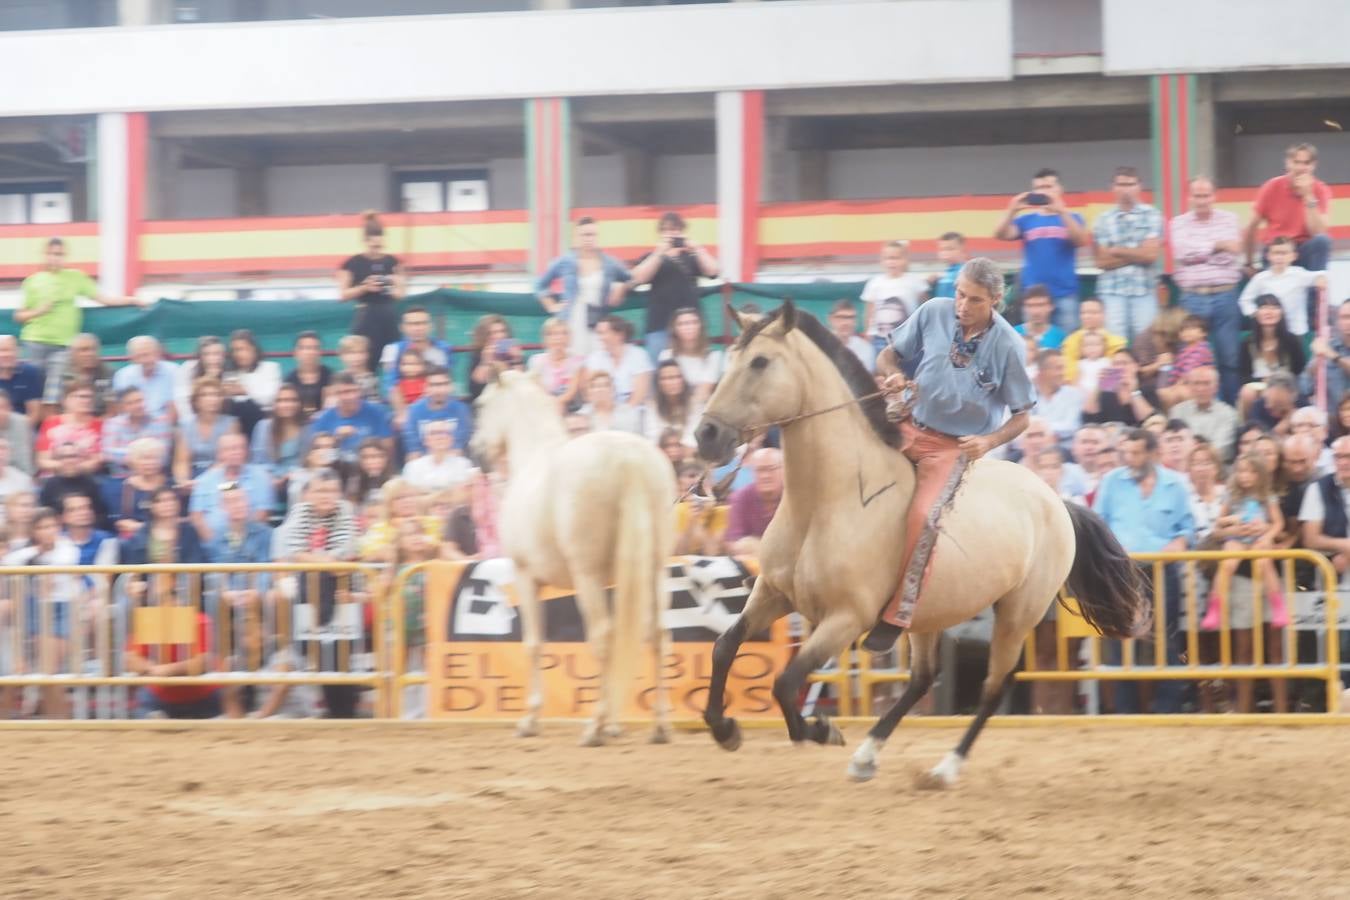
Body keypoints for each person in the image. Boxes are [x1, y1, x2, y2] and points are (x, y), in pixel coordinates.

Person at [864, 257, 1037, 652]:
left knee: (924, 516)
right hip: (906, 422)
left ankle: (899, 613)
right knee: (847, 468)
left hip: (953, 447)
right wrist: (892, 374)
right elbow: (887, 355)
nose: (961, 305)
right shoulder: (932, 311)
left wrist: (989, 443)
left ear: (995, 300)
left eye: (974, 299)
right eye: (959, 294)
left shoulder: (1008, 345)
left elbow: (1023, 415)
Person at [1092, 428, 1193, 713]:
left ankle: (1168, 708)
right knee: (1121, 640)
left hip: (1162, 570)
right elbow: (1098, 524)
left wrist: (1179, 542)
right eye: (1127, 453)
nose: (1130, 459)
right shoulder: (1112, 481)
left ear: (1151, 453)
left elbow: (1188, 528)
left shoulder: (1175, 484)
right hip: (1122, 571)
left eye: (1137, 454)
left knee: (1168, 638)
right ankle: (1125, 709)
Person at [278, 468, 359, 718]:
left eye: (332, 490)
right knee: (313, 649)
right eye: (320, 490)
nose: (326, 496)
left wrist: (320, 561)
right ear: (309, 493)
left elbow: (345, 548)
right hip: (313, 583)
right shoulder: (301, 511)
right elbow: (293, 548)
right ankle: (333, 706)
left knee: (340, 650)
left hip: (342, 588)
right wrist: (324, 562)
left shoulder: (344, 510)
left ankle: (344, 710)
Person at [14, 236, 144, 385]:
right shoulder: (33, 281)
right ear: (44, 255)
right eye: (52, 254)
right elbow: (19, 316)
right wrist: (39, 311)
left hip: (66, 344)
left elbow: (104, 299)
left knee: (64, 386)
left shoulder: (76, 277)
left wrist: (133, 300)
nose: (55, 258)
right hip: (37, 341)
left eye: (60, 254)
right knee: (37, 385)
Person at [5, 506, 86, 718]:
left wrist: (33, 563)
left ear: (58, 527)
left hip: (62, 609)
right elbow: (10, 561)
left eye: (50, 526)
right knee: (39, 675)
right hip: (35, 610)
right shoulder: (27, 553)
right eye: (41, 527)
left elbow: (59, 562)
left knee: (48, 673)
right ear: (34, 532)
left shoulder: (68, 549)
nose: (47, 531)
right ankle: (53, 721)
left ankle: (58, 721)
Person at [1170, 176, 1244, 403]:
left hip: (1226, 293)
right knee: (1194, 360)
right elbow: (1183, 253)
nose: (1201, 201)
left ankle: (1230, 412)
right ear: (1189, 197)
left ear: (1214, 196)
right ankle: (1198, 408)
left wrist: (1200, 253)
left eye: (1205, 195)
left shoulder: (1230, 219)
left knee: (1229, 358)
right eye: (1197, 196)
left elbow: (1234, 248)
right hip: (1194, 297)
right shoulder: (1178, 223)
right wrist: (1217, 246)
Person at [994, 168, 1088, 331]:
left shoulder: (1073, 217)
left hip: (1064, 293)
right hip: (1033, 296)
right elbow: (1000, 234)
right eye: (1039, 188)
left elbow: (1080, 240)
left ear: (1059, 189)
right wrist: (1012, 210)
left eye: (1048, 187)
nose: (1044, 191)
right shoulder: (1026, 219)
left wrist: (1061, 210)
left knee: (1066, 343)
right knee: (1032, 345)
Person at [628, 211, 720, 362]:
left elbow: (714, 271)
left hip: (691, 327)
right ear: (661, 233)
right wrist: (659, 253)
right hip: (659, 326)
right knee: (658, 373)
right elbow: (637, 278)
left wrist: (698, 248)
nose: (671, 234)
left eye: (676, 230)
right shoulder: (651, 257)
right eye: (667, 230)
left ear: (682, 232)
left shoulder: (691, 257)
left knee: (694, 367)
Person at [535, 216, 632, 357]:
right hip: (571, 321)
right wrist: (551, 305)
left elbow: (631, 278)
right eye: (584, 235)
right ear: (576, 237)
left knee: (597, 361)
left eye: (592, 234)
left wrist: (621, 288)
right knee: (573, 362)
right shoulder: (565, 261)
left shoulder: (610, 263)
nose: (588, 238)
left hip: (598, 322)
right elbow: (540, 285)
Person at [1091, 166, 1163, 341]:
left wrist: (1117, 250)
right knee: (1115, 343)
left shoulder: (1152, 215)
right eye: (1121, 185)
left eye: (1130, 184)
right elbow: (1101, 261)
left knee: (1146, 342)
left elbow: (1151, 256)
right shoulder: (1103, 219)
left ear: (1139, 186)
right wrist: (1137, 253)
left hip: (1144, 289)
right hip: (1111, 291)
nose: (1125, 190)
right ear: (1112, 187)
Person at [1245, 142, 1332, 275]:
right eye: (1296, 162)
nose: (1300, 168)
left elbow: (1318, 233)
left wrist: (1308, 196)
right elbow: (1251, 227)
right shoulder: (1271, 186)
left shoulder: (1321, 189)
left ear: (1313, 166)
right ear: (1287, 163)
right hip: (1277, 248)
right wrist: (1249, 262)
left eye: (1306, 163)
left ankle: (1316, 291)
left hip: (1304, 250)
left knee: (1322, 241)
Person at [336, 211, 405, 371]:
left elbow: (400, 294)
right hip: (365, 317)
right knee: (363, 364)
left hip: (388, 316)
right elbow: (342, 294)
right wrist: (364, 287)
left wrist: (391, 283)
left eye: (379, 246)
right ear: (365, 241)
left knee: (394, 363)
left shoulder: (393, 262)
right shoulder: (352, 263)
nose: (376, 250)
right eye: (373, 246)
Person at [189, 433, 274, 544]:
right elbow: (197, 516)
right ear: (219, 454)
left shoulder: (260, 476)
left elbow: (262, 514)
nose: (236, 452)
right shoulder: (205, 480)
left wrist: (237, 543)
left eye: (240, 448)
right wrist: (214, 544)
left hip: (250, 543)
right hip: (214, 546)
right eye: (230, 449)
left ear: (246, 451)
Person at [1238, 236, 1327, 338]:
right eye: (1276, 253)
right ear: (1268, 256)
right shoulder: (1260, 278)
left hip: (1296, 332)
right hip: (1270, 333)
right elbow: (1244, 300)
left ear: (1293, 256)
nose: (1279, 257)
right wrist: (1256, 314)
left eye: (1284, 253)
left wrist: (1321, 278)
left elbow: (1323, 276)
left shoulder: (1300, 274)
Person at [309, 373, 393, 464]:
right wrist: (336, 440)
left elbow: (387, 448)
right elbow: (317, 459)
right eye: (344, 392)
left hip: (369, 468)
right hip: (337, 470)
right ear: (334, 394)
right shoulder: (323, 420)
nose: (351, 396)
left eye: (354, 391)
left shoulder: (376, 412)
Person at [1239, 307, 1305, 424]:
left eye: (1274, 308)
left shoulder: (1291, 341)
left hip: (1286, 385)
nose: (1269, 312)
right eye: (1264, 308)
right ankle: (1249, 426)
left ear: (1281, 313)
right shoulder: (1248, 342)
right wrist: (1264, 380)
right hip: (1259, 385)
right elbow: (1243, 375)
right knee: (1247, 392)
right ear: (1256, 314)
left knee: (1281, 391)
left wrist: (1280, 381)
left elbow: (1299, 369)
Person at [859, 240, 930, 348]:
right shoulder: (875, 283)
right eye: (888, 258)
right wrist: (868, 331)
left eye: (896, 258)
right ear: (882, 261)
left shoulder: (914, 281)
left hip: (907, 337)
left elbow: (926, 305)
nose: (892, 262)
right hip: (880, 338)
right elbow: (869, 310)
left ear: (905, 260)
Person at [173, 377, 240, 487]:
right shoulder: (185, 425)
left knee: (231, 487)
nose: (212, 399)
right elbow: (181, 462)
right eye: (205, 395)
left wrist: (202, 482)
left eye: (216, 395)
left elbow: (228, 460)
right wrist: (183, 481)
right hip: (193, 476)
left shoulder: (232, 424)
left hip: (223, 476)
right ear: (196, 400)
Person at [250, 383, 307, 509]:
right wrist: (270, 478)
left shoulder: (307, 429)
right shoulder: (263, 427)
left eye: (292, 400)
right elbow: (256, 462)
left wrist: (288, 476)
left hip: (294, 479)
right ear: (275, 404)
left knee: (298, 485)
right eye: (281, 400)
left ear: (299, 403)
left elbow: (307, 463)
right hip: (266, 479)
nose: (287, 405)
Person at [104, 437, 173, 540]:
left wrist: (139, 526)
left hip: (167, 537)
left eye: (154, 458)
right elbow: (122, 524)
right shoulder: (122, 488)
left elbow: (176, 521)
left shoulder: (171, 485)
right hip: (135, 541)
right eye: (144, 458)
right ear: (133, 461)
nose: (150, 463)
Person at [1299, 435, 1350, 575]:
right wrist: (1345, 546)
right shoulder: (1317, 488)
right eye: (1338, 457)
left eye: (1348, 456)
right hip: (1332, 572)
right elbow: (1310, 539)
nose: (1343, 462)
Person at [720, 447, 784, 558]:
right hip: (754, 564)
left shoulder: (794, 498)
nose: (765, 476)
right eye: (759, 470)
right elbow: (733, 542)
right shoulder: (740, 498)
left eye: (771, 469)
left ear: (784, 470)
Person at [377, 306, 454, 394]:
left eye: (422, 323)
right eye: (411, 324)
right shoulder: (391, 350)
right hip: (403, 400)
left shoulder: (443, 348)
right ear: (402, 327)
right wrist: (403, 408)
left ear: (431, 326)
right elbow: (390, 384)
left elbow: (446, 380)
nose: (417, 328)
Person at [402, 366, 472, 462]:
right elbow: (414, 450)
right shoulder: (414, 411)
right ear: (425, 387)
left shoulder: (461, 409)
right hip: (423, 463)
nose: (438, 390)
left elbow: (458, 448)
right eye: (433, 385)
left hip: (452, 462)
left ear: (451, 386)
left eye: (443, 384)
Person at [1169, 367, 1239, 461]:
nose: (1201, 389)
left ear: (1216, 387)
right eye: (1196, 383)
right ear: (1189, 386)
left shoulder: (1228, 414)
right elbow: (1173, 444)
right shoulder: (1177, 411)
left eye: (1206, 383)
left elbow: (1220, 450)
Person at [102, 386, 172, 478]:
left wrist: (132, 456)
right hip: (122, 476)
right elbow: (109, 454)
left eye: (139, 401)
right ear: (123, 407)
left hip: (154, 477)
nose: (138, 406)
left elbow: (163, 455)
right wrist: (145, 458)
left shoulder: (160, 421)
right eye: (130, 403)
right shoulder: (113, 424)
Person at [223, 328, 282, 438]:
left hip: (264, 420)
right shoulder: (230, 374)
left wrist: (244, 391)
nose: (237, 354)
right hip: (237, 425)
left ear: (253, 349)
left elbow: (272, 396)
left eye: (241, 349)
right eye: (234, 350)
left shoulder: (270, 368)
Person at [34, 382, 102, 475]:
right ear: (66, 400)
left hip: (87, 476)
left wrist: (74, 468)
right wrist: (67, 467)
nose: (86, 401)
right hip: (54, 475)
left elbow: (97, 461)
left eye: (89, 397)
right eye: (81, 396)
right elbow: (42, 461)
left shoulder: (99, 424)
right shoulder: (51, 422)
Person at [659, 306, 725, 401]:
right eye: (682, 324)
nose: (688, 327)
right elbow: (667, 392)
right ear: (674, 329)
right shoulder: (666, 355)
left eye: (693, 322)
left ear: (701, 326)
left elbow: (704, 392)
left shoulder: (714, 356)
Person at [585, 315, 653, 406]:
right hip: (604, 410)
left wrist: (623, 414)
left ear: (619, 335)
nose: (600, 338)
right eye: (599, 334)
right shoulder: (595, 358)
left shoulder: (638, 354)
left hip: (634, 410)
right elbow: (591, 392)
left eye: (603, 333)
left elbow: (639, 395)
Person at [42, 332, 115, 419]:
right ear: (72, 354)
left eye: (93, 349)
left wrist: (92, 426)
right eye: (84, 350)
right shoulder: (59, 369)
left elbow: (112, 410)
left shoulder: (107, 372)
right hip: (65, 422)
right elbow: (50, 408)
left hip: (97, 422)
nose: (90, 354)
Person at [39, 441, 109, 525]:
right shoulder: (50, 485)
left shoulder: (92, 483)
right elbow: (45, 518)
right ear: (58, 460)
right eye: (64, 457)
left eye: (73, 456)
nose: (69, 461)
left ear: (80, 459)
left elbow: (101, 516)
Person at [112, 337, 179, 423]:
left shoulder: (174, 371)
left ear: (158, 354)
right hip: (133, 424)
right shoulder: (123, 375)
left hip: (167, 425)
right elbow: (121, 408)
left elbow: (178, 406)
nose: (144, 360)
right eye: (139, 356)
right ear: (132, 358)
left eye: (147, 355)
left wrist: (162, 423)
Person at [1082, 348, 1155, 427]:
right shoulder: (1107, 393)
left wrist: (1134, 391)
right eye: (1115, 364)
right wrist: (1098, 386)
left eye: (1124, 363)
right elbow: (1089, 417)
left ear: (1136, 366)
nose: (1120, 367)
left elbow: (1149, 420)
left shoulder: (1147, 389)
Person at [1061, 297, 1126, 385]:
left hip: (1107, 391)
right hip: (1077, 390)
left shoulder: (1117, 342)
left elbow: (1116, 374)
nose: (1087, 316)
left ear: (1104, 315)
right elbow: (1068, 374)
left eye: (1093, 312)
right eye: (1083, 313)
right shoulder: (1070, 341)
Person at [527, 319, 585, 413]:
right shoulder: (536, 361)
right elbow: (538, 391)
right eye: (553, 334)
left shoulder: (577, 362)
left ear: (569, 338)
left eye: (563, 333)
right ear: (545, 339)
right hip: (544, 408)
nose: (558, 337)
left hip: (572, 409)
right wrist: (552, 404)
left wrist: (557, 403)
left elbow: (571, 392)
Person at [402, 419, 474, 492]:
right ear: (425, 440)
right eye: (433, 433)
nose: (439, 437)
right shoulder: (412, 467)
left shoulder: (464, 465)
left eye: (444, 432)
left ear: (451, 439)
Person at [466, 315, 524, 402]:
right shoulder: (478, 355)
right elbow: (475, 391)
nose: (499, 336)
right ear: (484, 336)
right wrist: (485, 362)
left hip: (511, 403)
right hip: (487, 404)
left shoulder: (513, 354)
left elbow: (521, 385)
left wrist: (517, 360)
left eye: (502, 331)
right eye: (493, 333)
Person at [1031, 348, 1082, 446]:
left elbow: (1071, 426)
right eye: (1058, 368)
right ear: (1042, 372)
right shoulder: (1029, 396)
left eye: (1063, 368)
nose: (1062, 373)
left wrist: (1038, 429)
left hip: (1064, 449)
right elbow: (1022, 427)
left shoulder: (1073, 394)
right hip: (1032, 448)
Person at [645, 360, 701, 448]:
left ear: (683, 380)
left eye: (677, 377)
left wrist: (679, 448)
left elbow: (694, 435)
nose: (672, 382)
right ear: (659, 383)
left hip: (688, 452)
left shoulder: (696, 404)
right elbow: (652, 435)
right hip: (661, 452)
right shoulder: (652, 406)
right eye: (666, 378)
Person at [173, 335, 228, 422]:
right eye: (207, 354)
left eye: (217, 354)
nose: (213, 358)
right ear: (200, 356)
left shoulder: (228, 371)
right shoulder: (188, 369)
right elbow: (182, 401)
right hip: (193, 419)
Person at [284, 331, 333, 419]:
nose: (310, 352)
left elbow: (331, 407)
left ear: (320, 352)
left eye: (315, 348)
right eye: (305, 348)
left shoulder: (330, 376)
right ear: (295, 353)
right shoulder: (289, 379)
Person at [1311, 300, 1350, 408]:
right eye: (1344, 317)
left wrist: (1333, 356)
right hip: (1334, 419)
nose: (1348, 322)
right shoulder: (1327, 346)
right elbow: (1304, 386)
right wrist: (1316, 360)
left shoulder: (1328, 350)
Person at [579, 371, 643, 435]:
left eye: (605, 385)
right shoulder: (582, 416)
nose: (600, 389)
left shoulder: (628, 412)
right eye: (595, 386)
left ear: (613, 390)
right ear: (589, 392)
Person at [1187, 442, 1227, 546]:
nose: (1201, 469)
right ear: (1189, 470)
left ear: (1217, 468)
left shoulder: (1228, 494)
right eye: (1196, 464)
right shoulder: (1184, 498)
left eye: (1207, 463)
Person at [0, 334, 45, 420]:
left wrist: (20, 431)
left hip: (23, 427)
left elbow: (34, 413)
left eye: (9, 350)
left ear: (18, 352)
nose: (5, 355)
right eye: (1, 351)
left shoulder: (30, 372)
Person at [825, 300, 875, 372]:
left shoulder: (866, 349)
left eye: (850, 317)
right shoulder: (817, 346)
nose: (846, 323)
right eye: (841, 317)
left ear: (856, 321)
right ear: (830, 319)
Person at [345, 438, 395, 509]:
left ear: (385, 458)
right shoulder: (354, 484)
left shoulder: (395, 482)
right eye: (365, 457)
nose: (370, 461)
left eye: (376, 456)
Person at [388, 346, 429, 431]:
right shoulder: (398, 386)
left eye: (414, 364)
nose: (409, 368)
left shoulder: (427, 383)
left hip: (424, 416)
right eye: (405, 364)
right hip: (405, 417)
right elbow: (399, 408)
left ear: (423, 366)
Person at [1014, 285, 1066, 350]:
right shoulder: (1013, 334)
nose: (1036, 311)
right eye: (1031, 305)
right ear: (1024, 308)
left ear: (1051, 306)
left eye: (1041, 305)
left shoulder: (1060, 337)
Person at [0, 392, 34, 475]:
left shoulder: (21, 422)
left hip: (18, 473)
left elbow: (23, 460)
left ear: (10, 408)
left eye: (3, 407)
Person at [929, 231, 967, 300]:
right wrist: (932, 285)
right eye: (942, 249)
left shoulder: (966, 273)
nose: (945, 253)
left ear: (962, 250)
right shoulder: (944, 275)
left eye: (950, 249)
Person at [1072, 330, 1111, 395]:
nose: (1092, 348)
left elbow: (1110, 384)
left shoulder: (1107, 362)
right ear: (1081, 348)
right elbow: (1076, 381)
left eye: (1096, 344)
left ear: (1104, 346)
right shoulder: (1081, 363)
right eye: (1087, 345)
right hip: (1083, 393)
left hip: (1101, 394)